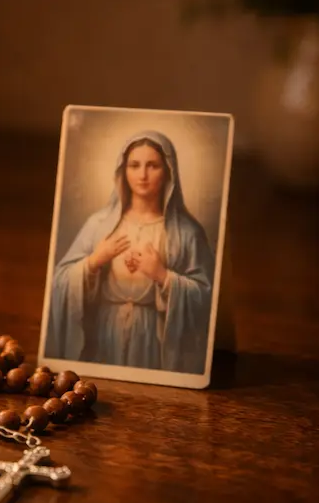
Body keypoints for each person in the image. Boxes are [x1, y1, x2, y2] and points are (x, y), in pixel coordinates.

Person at [45, 130, 215, 374]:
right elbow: (59, 281)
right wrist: (93, 261)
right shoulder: (99, 224)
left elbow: (206, 296)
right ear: (123, 171)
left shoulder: (187, 232)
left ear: (168, 171)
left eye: (153, 165)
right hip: (105, 334)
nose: (142, 175)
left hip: (154, 340)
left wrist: (163, 276)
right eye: (134, 165)